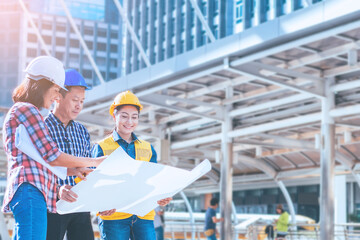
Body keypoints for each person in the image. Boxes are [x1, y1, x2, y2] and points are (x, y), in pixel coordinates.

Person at [1, 56, 105, 240]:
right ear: (42, 85)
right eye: (56, 90)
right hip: (32, 191)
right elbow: (52, 155)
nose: (57, 96)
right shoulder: (28, 110)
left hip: (33, 193)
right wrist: (95, 161)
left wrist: (74, 170)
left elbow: (41, 161)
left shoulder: (23, 111)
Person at [92, 90, 172, 240]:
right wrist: (100, 205)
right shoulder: (101, 147)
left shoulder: (147, 148)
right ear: (114, 116)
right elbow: (93, 183)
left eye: (134, 117)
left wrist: (161, 196)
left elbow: (153, 181)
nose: (129, 122)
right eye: (124, 116)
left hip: (143, 215)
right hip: (114, 216)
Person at [45, 69, 94, 240]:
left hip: (80, 207)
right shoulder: (43, 128)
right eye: (75, 100)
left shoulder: (82, 132)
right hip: (51, 207)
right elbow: (39, 169)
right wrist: (58, 189)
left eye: (82, 101)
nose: (79, 105)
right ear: (58, 96)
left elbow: (88, 170)